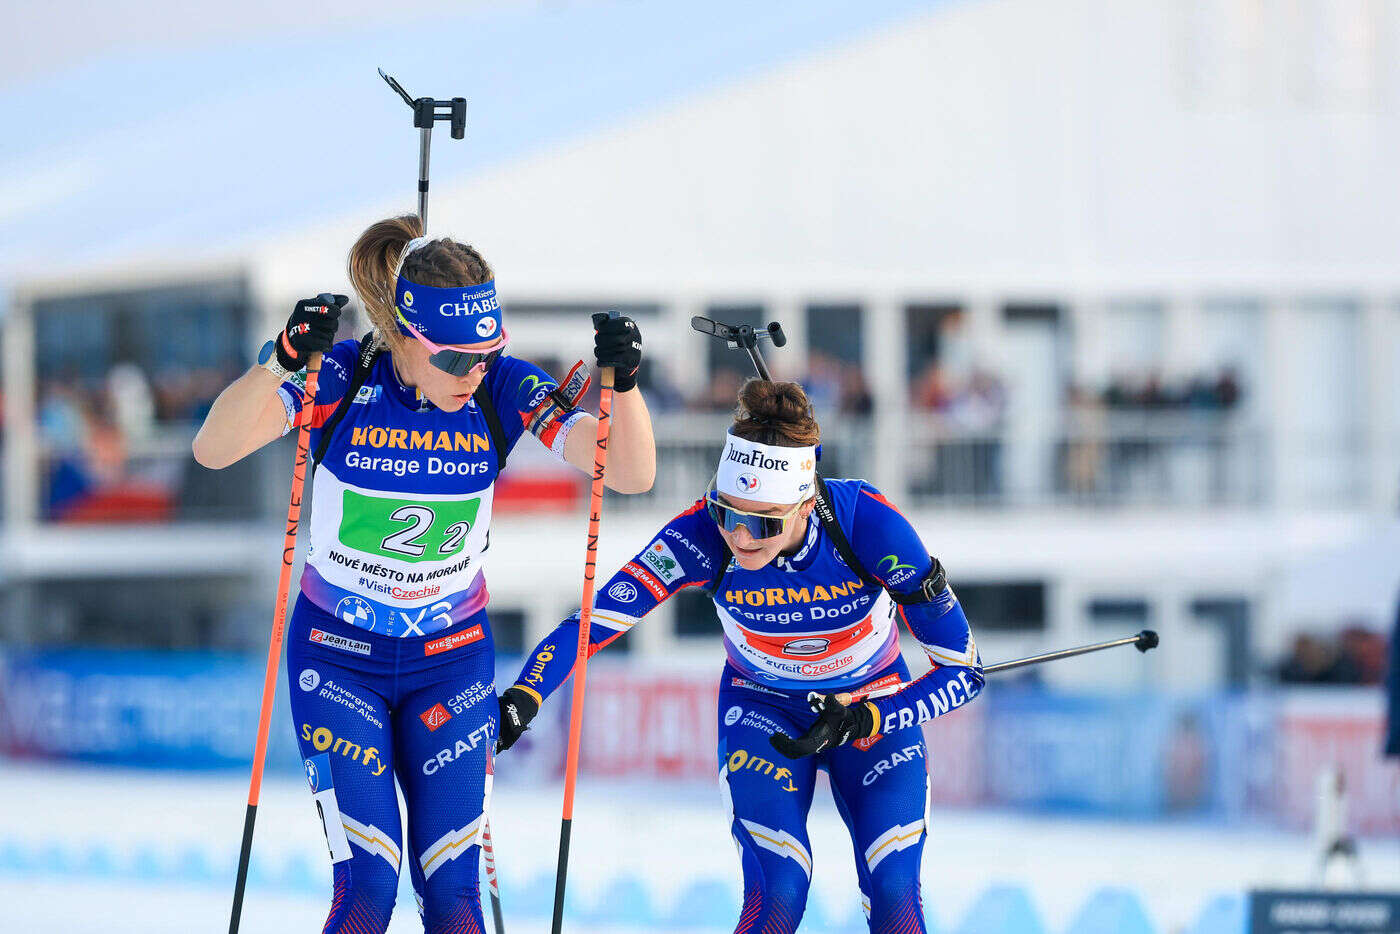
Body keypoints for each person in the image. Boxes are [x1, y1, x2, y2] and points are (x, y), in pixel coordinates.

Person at [193, 215, 656, 934]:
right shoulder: (345, 376)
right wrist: (279, 360)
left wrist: (623, 387)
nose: (473, 374)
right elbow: (214, 448)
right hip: (339, 659)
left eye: (487, 353)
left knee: (453, 897)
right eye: (455, 360)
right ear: (407, 337)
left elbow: (628, 472)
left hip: (450, 661)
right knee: (369, 888)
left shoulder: (501, 387)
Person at [498, 379, 983, 934]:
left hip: (871, 705)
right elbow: (594, 623)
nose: (740, 536)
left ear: (806, 503)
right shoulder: (701, 535)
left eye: (763, 522)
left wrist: (867, 715)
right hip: (763, 707)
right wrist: (525, 694)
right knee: (779, 894)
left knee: (895, 895)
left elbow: (963, 671)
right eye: (727, 512)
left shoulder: (868, 526)